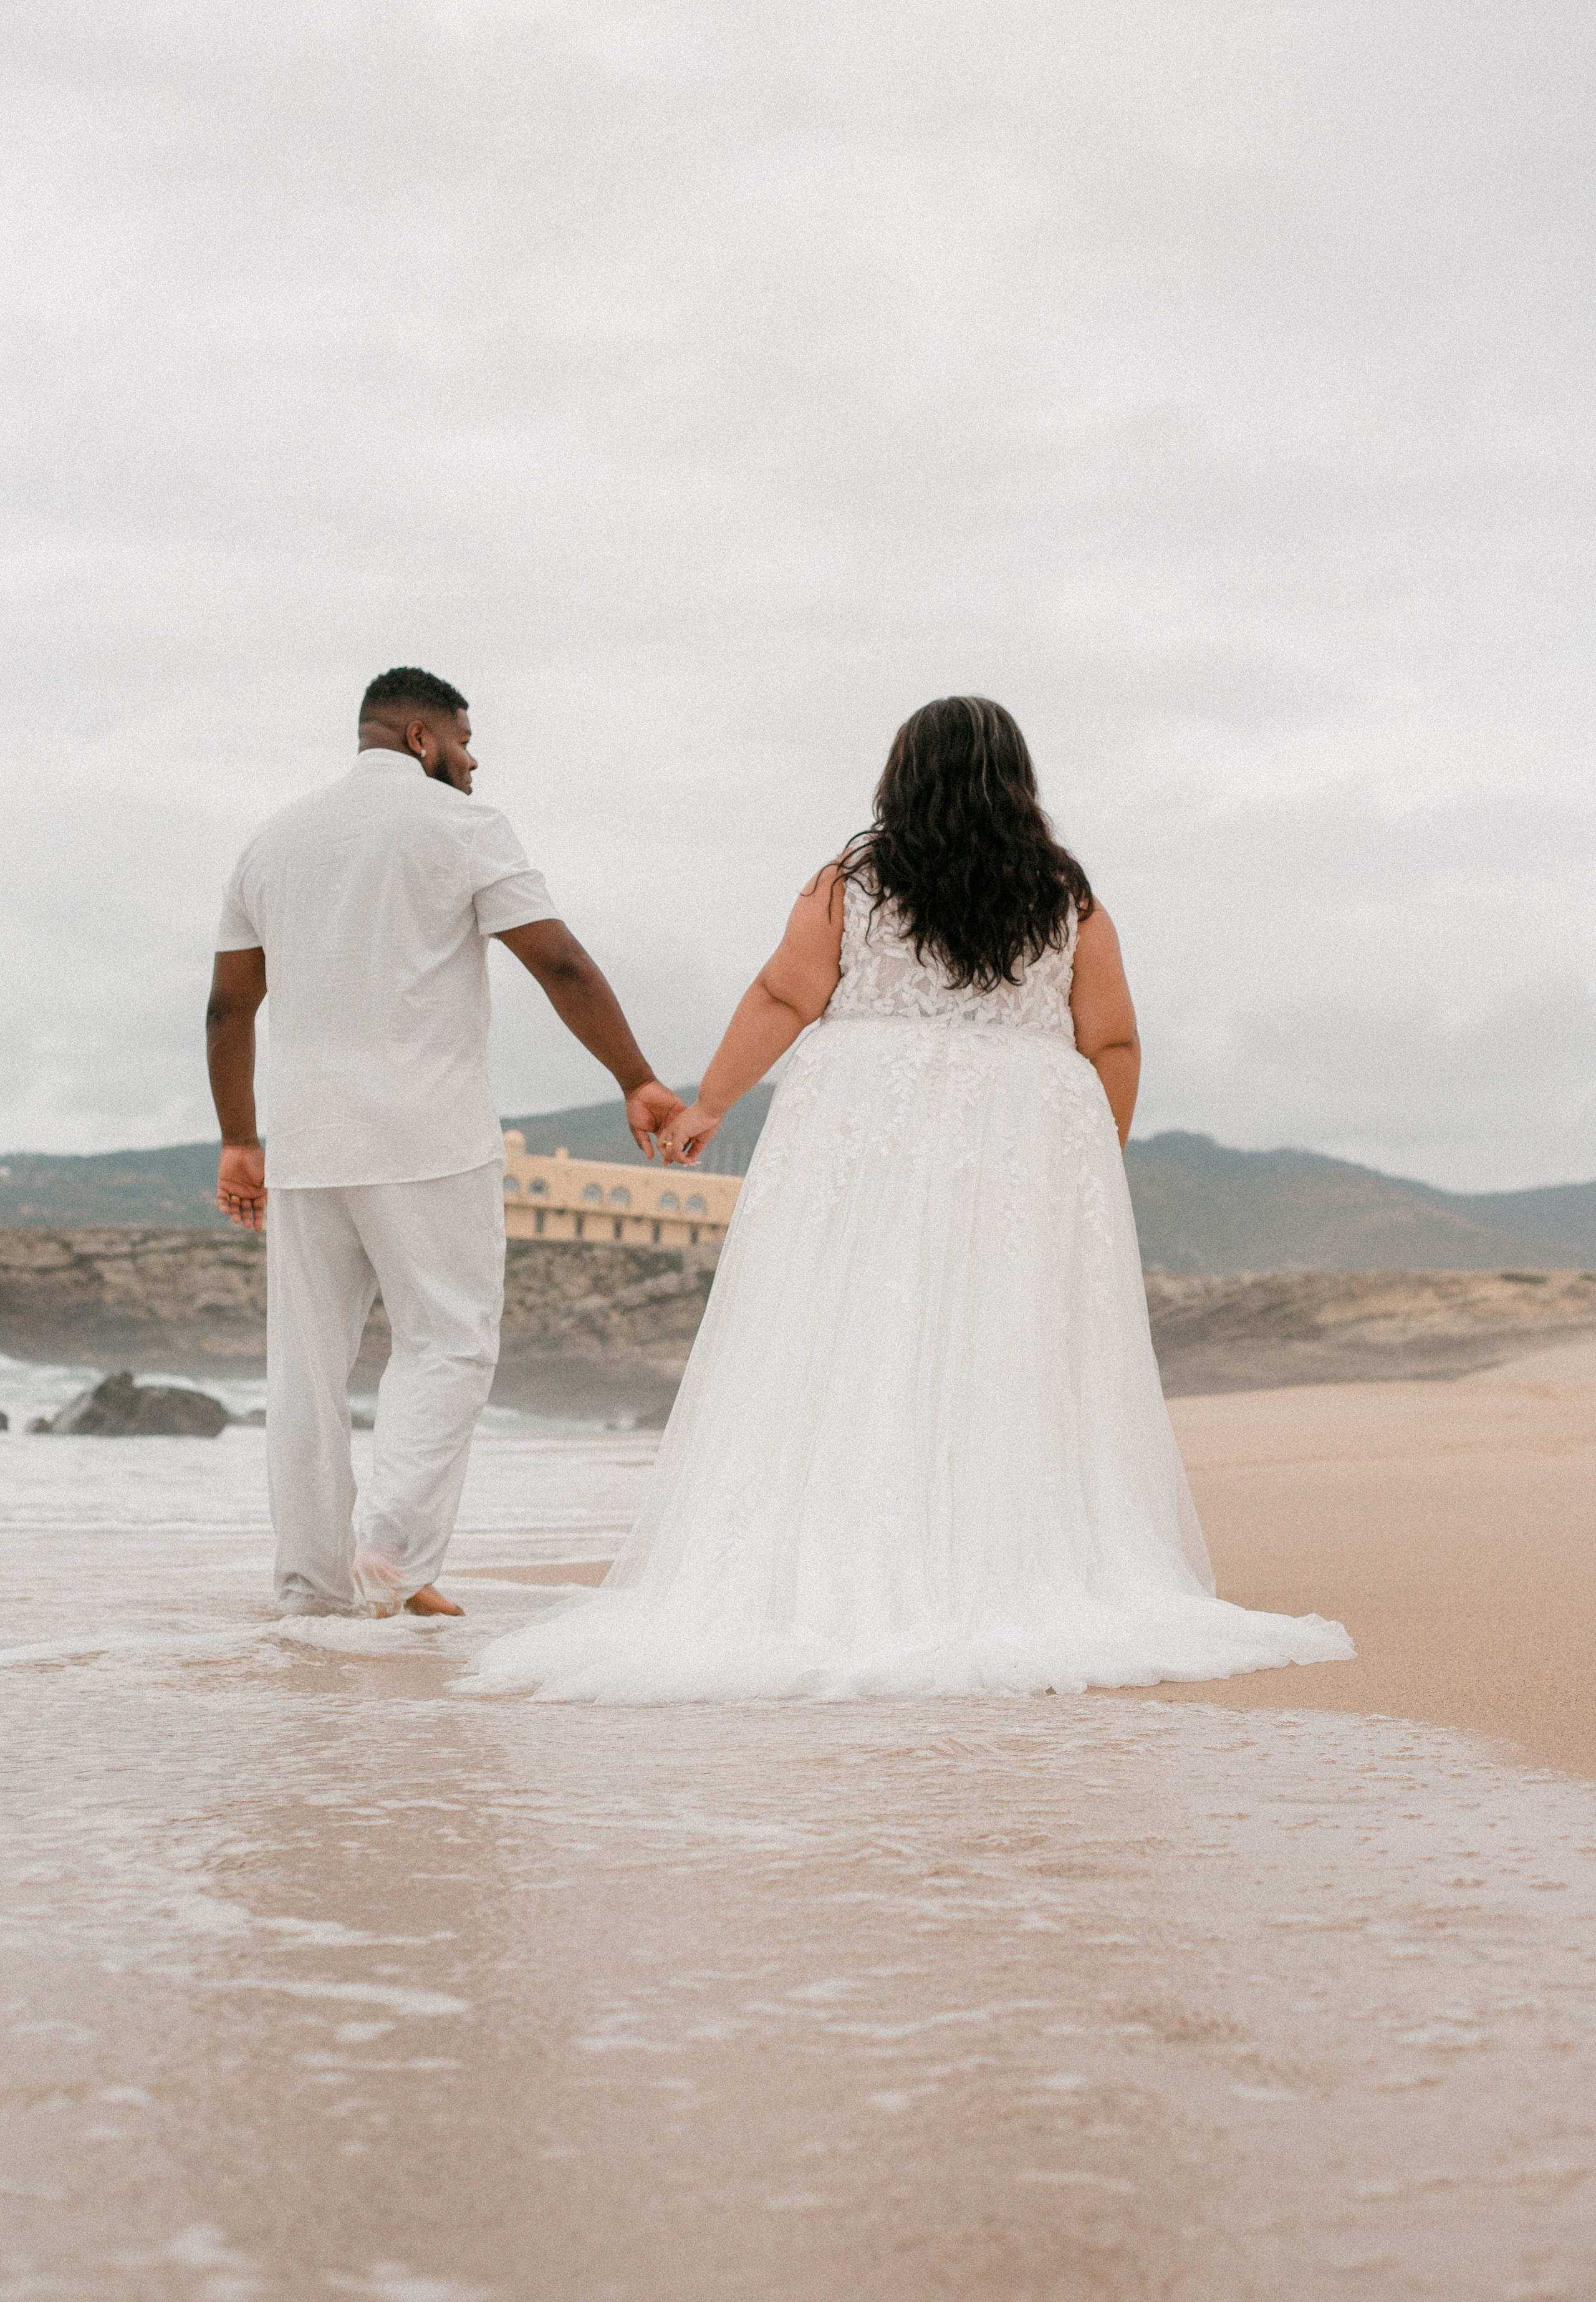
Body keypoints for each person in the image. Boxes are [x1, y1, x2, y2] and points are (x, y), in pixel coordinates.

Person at [473, 695, 1352, 1698]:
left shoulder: (850, 885)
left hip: (867, 1129)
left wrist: (710, 1102)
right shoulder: (1068, 900)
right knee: (1002, 1348)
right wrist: (1088, 1165)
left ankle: (833, 1561)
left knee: (845, 1333)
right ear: (1016, 782)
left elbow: (784, 995)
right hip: (1018, 1139)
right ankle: (1001, 1560)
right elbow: (1111, 1040)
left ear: (902, 777)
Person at [206, 667, 679, 1619]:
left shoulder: (272, 840)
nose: (472, 762)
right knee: (449, 1342)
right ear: (423, 737)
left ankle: (310, 1587)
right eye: (464, 741)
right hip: (428, 1133)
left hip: (306, 1139)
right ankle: (392, 1551)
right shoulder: (465, 827)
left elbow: (228, 1007)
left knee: (306, 1369)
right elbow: (558, 960)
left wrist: (238, 1141)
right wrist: (636, 1077)